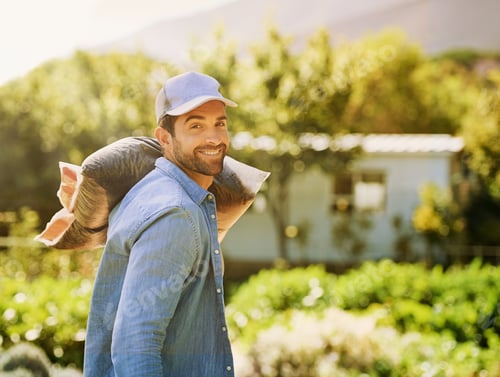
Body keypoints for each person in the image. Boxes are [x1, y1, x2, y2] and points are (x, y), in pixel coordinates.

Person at [83, 71, 238, 376]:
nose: (214, 138)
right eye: (196, 126)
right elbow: (135, 346)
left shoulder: (150, 189)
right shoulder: (176, 214)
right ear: (164, 138)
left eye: (219, 123)